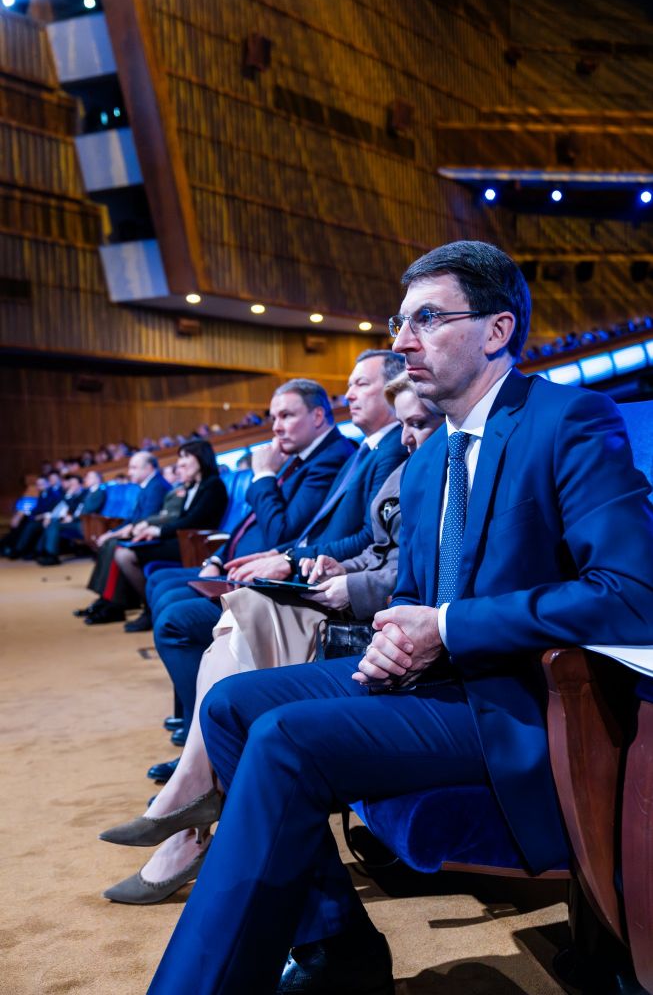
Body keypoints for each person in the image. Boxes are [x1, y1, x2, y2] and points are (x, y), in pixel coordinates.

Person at [147, 240, 653, 995]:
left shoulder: (568, 419)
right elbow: (412, 596)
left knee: (285, 737)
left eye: (427, 319)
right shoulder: (424, 465)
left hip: (517, 700)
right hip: (434, 681)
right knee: (228, 705)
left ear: (497, 330)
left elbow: (630, 593)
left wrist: (445, 629)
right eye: (399, 322)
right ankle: (337, 949)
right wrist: (397, 636)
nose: (402, 342)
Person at [99, 375, 443, 904]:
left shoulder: (397, 458)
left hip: (374, 617)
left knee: (235, 616)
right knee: (232, 621)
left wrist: (321, 563)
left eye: (362, 384)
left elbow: (378, 556)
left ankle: (190, 801)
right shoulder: (395, 457)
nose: (405, 434)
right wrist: (329, 564)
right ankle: (191, 799)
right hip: (339, 588)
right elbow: (363, 544)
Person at [145, 352, 406, 776]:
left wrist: (283, 544)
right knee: (178, 598)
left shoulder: (371, 450)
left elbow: (332, 535)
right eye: (348, 385)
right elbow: (299, 533)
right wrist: (259, 555)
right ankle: (202, 749)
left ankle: (206, 755)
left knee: (187, 616)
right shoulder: (362, 451)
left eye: (361, 384)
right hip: (309, 570)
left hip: (329, 587)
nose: (349, 394)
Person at [111, 441, 228, 632]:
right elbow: (181, 519)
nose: (180, 463)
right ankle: (145, 608)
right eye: (180, 458)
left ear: (201, 458)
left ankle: (148, 610)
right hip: (183, 540)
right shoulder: (194, 486)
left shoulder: (213, 485)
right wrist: (155, 531)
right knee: (126, 548)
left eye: (185, 457)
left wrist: (158, 531)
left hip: (195, 544)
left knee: (126, 555)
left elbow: (193, 521)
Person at [77, 452, 170, 624]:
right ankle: (106, 598)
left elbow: (146, 519)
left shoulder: (156, 486)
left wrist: (115, 534)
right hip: (141, 531)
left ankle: (115, 604)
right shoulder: (148, 486)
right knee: (109, 542)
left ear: (149, 468)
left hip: (152, 536)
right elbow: (132, 519)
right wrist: (111, 532)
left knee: (114, 545)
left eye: (134, 467)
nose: (129, 472)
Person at [35, 469, 106, 565]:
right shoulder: (90, 491)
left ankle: (51, 555)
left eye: (89, 477)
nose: (85, 479)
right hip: (81, 521)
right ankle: (46, 553)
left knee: (55, 524)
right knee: (54, 522)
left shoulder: (98, 492)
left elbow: (89, 510)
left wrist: (73, 518)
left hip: (86, 523)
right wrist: (69, 498)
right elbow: (75, 507)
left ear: (97, 479)